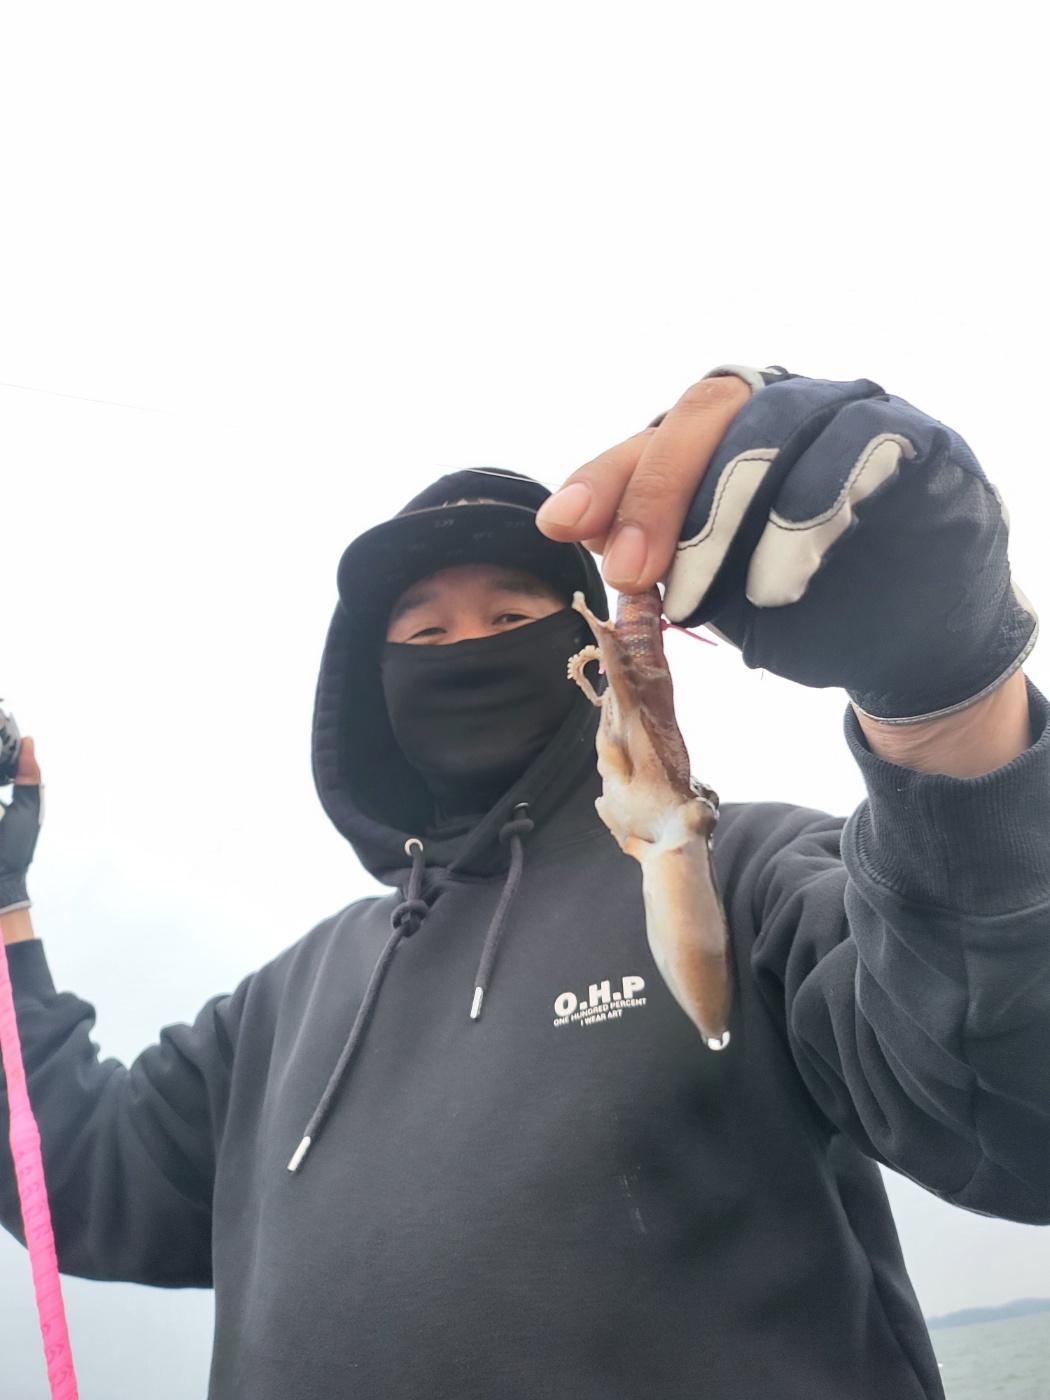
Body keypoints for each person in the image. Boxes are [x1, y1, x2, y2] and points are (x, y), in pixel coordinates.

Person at [2, 365, 1048, 1400]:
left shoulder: (757, 872)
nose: (467, 646)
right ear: (374, 690)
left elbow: (1010, 1103)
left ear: (578, 644)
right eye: (425, 632)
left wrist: (945, 704)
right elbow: (70, 1174)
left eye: (511, 618)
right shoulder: (280, 1008)